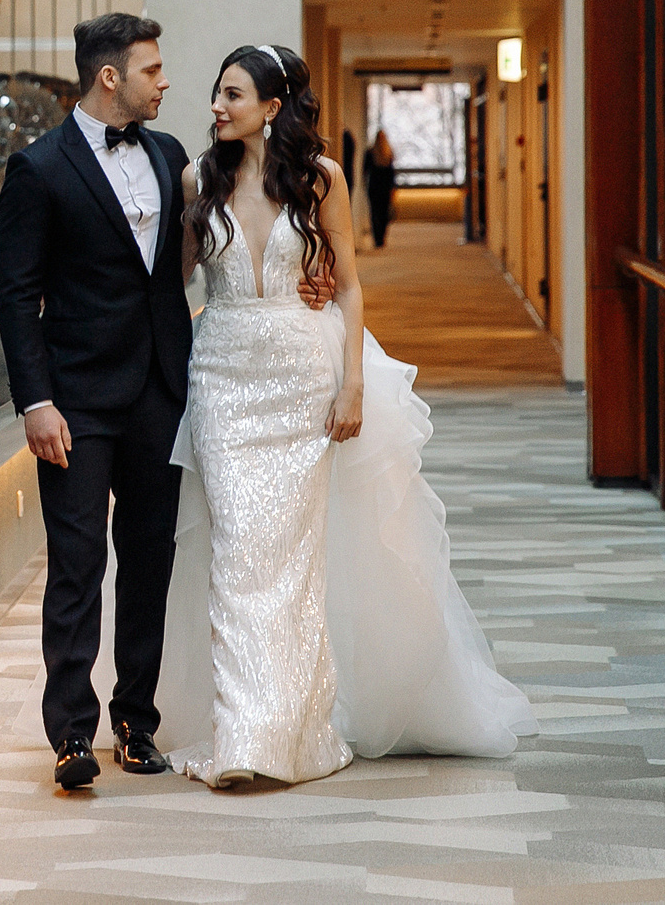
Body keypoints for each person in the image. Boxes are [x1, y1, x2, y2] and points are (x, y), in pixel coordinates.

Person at [158, 44, 534, 787]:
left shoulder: (320, 179)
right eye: (214, 93)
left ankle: (292, 726)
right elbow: (173, 284)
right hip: (225, 379)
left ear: (271, 106)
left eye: (231, 94)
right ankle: (247, 734)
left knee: (294, 560)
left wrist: (352, 383)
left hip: (302, 377)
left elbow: (352, 286)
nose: (215, 106)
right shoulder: (196, 178)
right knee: (238, 552)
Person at [0, 13, 331, 790]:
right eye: (152, 68)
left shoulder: (174, 155)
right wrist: (35, 399)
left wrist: (298, 281)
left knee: (150, 560)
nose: (166, 81)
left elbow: (191, 263)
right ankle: (72, 734)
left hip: (162, 391)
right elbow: (16, 297)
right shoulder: (37, 169)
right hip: (75, 401)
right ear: (111, 76)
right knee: (77, 564)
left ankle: (135, 723)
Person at [362, 127, 399, 248]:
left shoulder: (371, 152)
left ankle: (377, 237)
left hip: (374, 187)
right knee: (382, 213)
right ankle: (381, 237)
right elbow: (391, 174)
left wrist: (364, 184)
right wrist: (393, 188)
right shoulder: (387, 154)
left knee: (376, 213)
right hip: (384, 187)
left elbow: (365, 171)